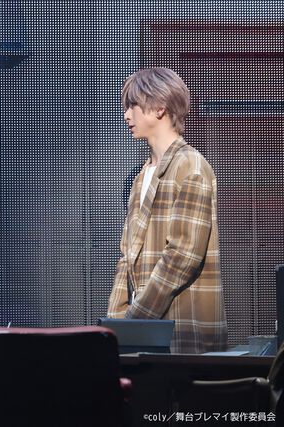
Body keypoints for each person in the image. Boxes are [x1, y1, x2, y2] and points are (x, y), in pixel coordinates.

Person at [107, 68, 227, 353]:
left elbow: (182, 256)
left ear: (160, 107)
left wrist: (135, 320)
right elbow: (127, 258)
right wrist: (116, 324)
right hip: (143, 334)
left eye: (133, 106)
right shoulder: (140, 177)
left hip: (181, 330)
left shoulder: (190, 166)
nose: (126, 115)